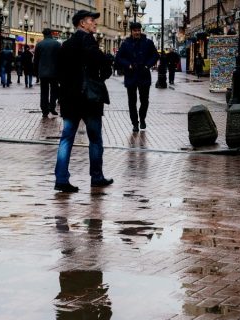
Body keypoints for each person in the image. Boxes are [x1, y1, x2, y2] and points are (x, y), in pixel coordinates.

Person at [54, 10, 113, 193]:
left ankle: (61, 179)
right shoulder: (88, 41)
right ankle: (96, 177)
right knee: (95, 138)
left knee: (66, 138)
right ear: (82, 24)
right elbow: (101, 62)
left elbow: (60, 73)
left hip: (70, 99)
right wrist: (108, 59)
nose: (95, 23)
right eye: (91, 20)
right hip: (89, 99)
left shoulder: (65, 45)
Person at [115, 22, 159, 132]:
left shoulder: (148, 42)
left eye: (138, 30)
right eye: (135, 30)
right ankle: (135, 123)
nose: (137, 32)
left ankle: (142, 118)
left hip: (144, 75)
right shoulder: (126, 44)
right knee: (132, 101)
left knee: (144, 100)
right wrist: (127, 64)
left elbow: (155, 55)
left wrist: (147, 65)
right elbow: (119, 57)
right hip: (131, 75)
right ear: (131, 31)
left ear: (141, 30)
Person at [34, 28, 61, 117]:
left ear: (43, 35)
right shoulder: (57, 44)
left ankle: (44, 110)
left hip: (43, 72)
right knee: (54, 90)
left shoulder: (39, 45)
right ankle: (52, 107)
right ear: (51, 34)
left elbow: (36, 60)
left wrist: (36, 72)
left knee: (44, 91)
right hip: (55, 72)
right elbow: (61, 59)